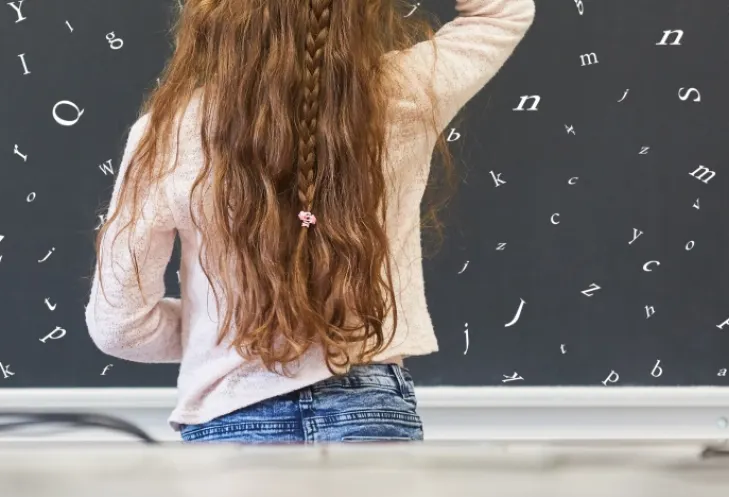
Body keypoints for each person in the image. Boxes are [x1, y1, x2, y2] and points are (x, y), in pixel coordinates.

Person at [86, 0, 535, 443]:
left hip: (230, 417)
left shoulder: (168, 133)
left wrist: (224, 327)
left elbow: (119, 327)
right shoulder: (401, 92)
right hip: (371, 410)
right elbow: (505, 11)